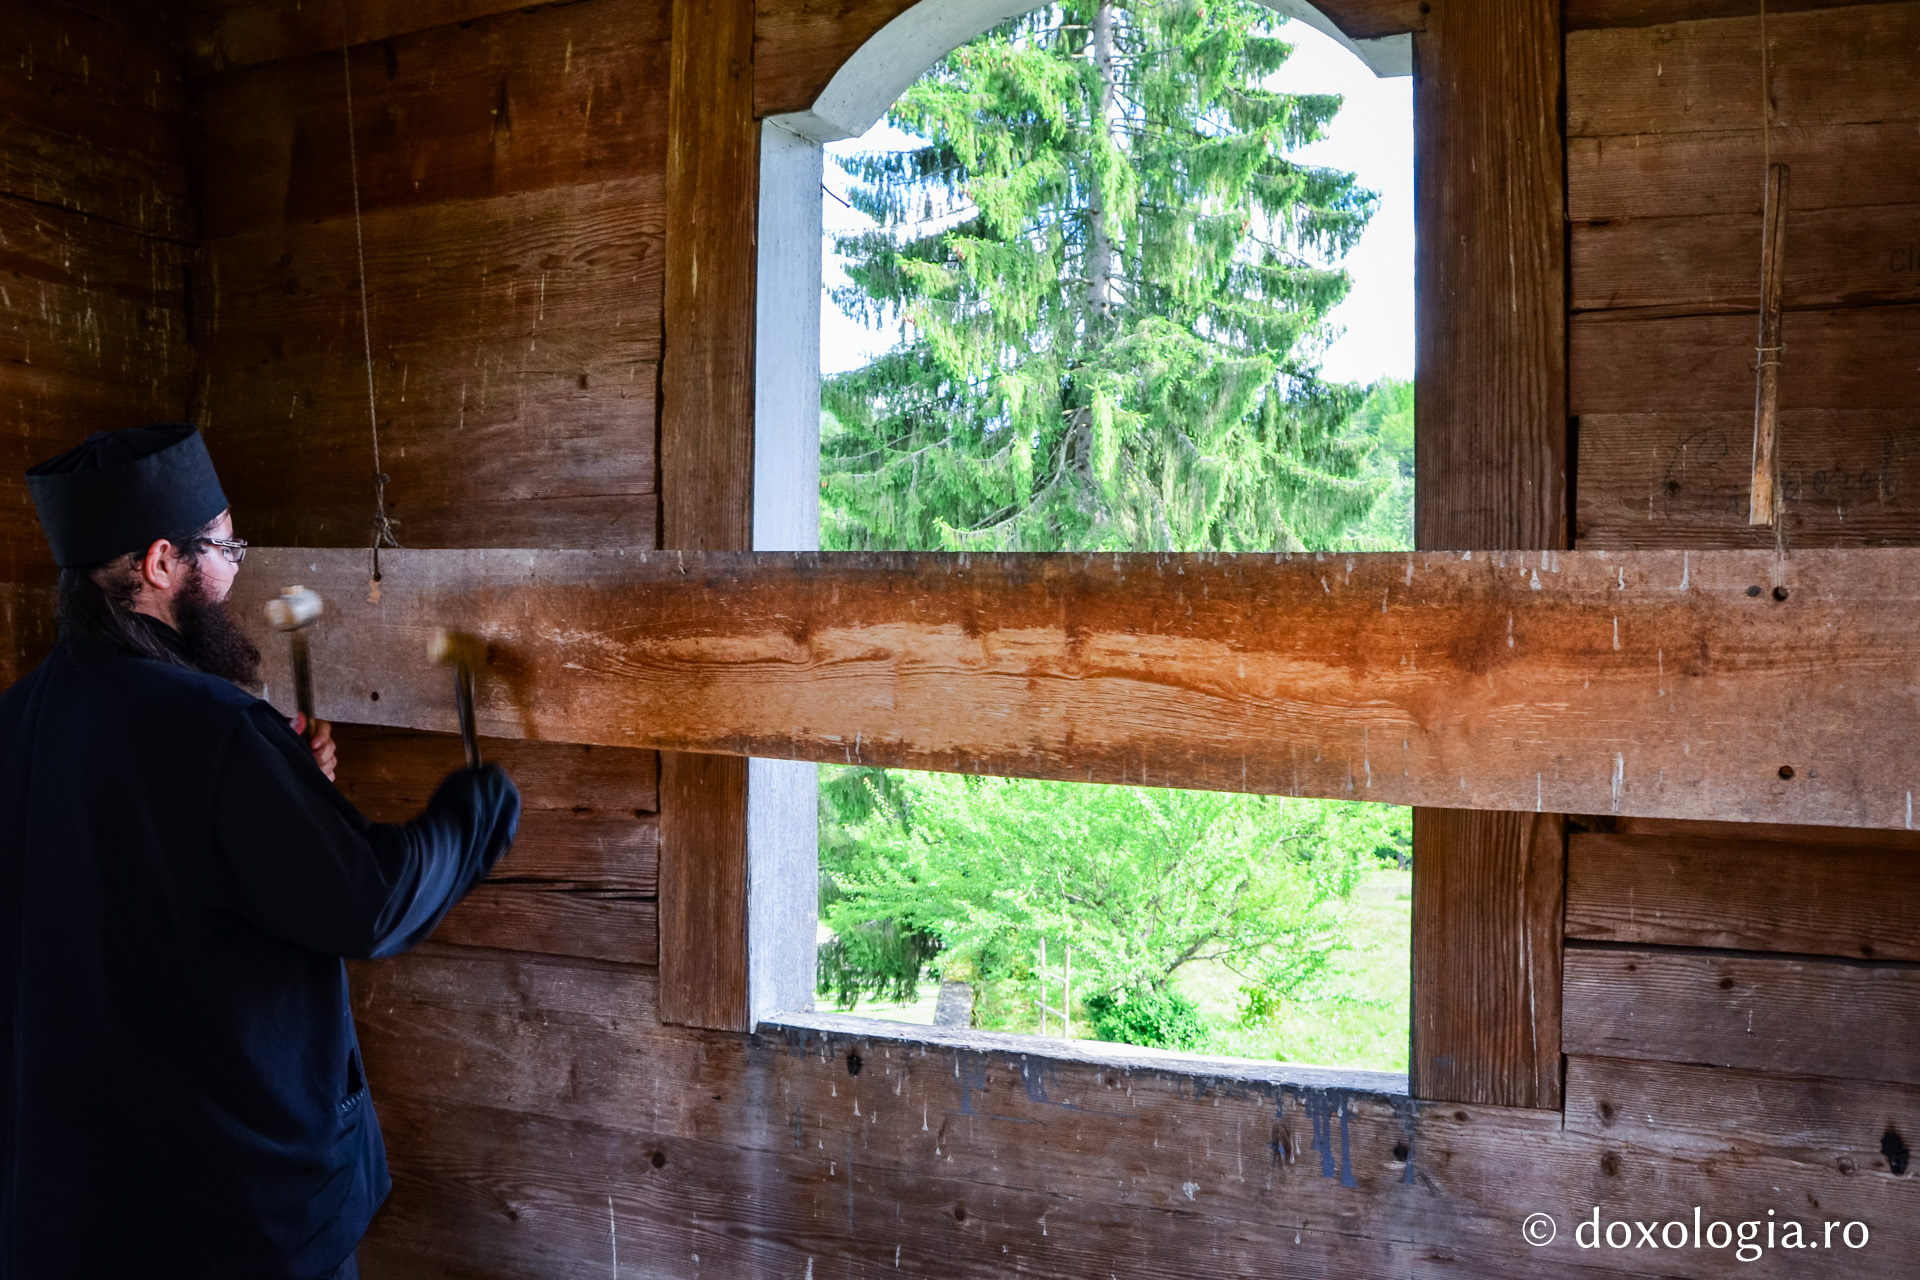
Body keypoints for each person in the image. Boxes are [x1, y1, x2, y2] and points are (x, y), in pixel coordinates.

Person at [0, 424, 521, 1279]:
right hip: (227, 1213)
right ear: (162, 563)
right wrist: (477, 811)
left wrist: (280, 790)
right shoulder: (214, 728)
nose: (236, 569)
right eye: (224, 544)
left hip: (66, 1211)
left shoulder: (16, 723)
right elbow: (368, 901)